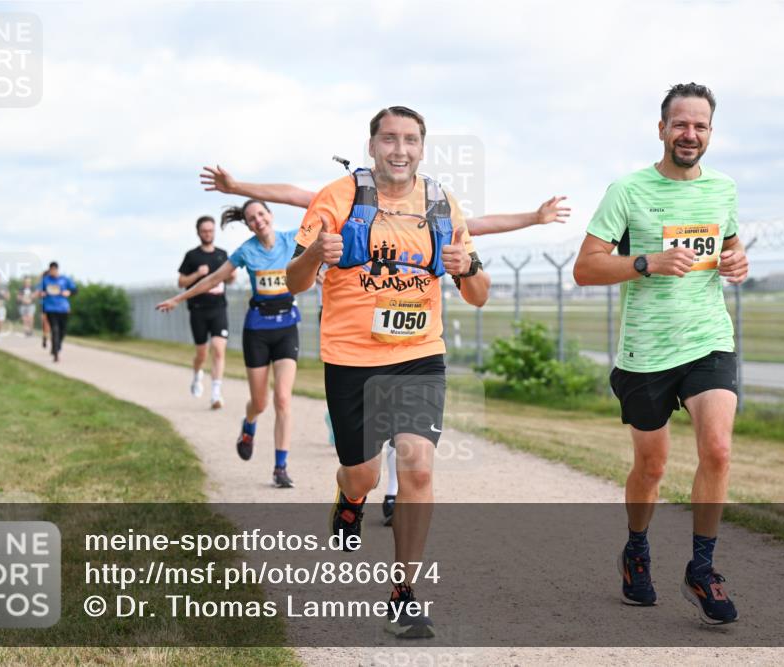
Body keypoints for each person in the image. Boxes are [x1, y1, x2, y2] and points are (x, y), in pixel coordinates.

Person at [200, 163, 571, 525]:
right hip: (353, 340)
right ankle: (357, 485)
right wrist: (237, 188)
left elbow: (478, 225)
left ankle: (395, 493)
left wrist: (534, 218)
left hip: (411, 344)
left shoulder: (425, 215)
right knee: (361, 458)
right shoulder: (346, 204)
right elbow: (296, 195)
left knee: (409, 435)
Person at [286, 106, 490, 638]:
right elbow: (293, 282)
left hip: (420, 352)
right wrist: (314, 256)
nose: (400, 150)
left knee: (417, 465)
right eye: (389, 139)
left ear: (422, 148)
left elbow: (478, 295)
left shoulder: (442, 204)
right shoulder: (338, 197)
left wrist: (469, 268)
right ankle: (350, 497)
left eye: (410, 140)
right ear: (372, 144)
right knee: (366, 474)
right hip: (352, 357)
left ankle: (404, 591)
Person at [573, 83, 748, 625]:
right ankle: (637, 549)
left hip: (708, 340)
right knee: (651, 467)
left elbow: (730, 245)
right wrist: (645, 261)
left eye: (699, 125)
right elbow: (585, 268)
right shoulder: (627, 191)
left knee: (717, 449)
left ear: (710, 133)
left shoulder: (724, 189)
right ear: (662, 129)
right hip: (646, 352)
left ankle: (702, 568)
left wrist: (735, 263)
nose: (689, 134)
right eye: (680, 124)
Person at [158, 201, 301, 489]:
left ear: (270, 216)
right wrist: (178, 299)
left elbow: (324, 238)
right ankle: (248, 425)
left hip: (287, 328)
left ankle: (280, 467)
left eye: (261, 214)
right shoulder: (246, 251)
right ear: (248, 225)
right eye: (251, 218)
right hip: (258, 332)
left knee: (283, 399)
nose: (258, 220)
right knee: (260, 402)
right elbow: (212, 278)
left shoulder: (292, 239)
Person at [177, 215, 232, 409]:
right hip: (198, 310)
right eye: (204, 231)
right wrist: (197, 275)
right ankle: (197, 374)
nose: (208, 233)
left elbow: (230, 280)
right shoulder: (192, 256)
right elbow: (181, 282)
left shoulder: (222, 255)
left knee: (218, 349)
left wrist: (232, 276)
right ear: (198, 232)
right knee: (202, 353)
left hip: (219, 308)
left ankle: (216, 394)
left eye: (211, 230)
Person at [38, 262, 77, 362]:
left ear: (57, 270)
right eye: (51, 270)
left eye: (54, 270)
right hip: (50, 308)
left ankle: (57, 346)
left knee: (63, 331)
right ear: (49, 270)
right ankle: (56, 353)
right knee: (55, 329)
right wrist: (41, 293)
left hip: (63, 308)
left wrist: (69, 292)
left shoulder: (64, 279)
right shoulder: (45, 280)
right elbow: (38, 291)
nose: (53, 272)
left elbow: (75, 290)